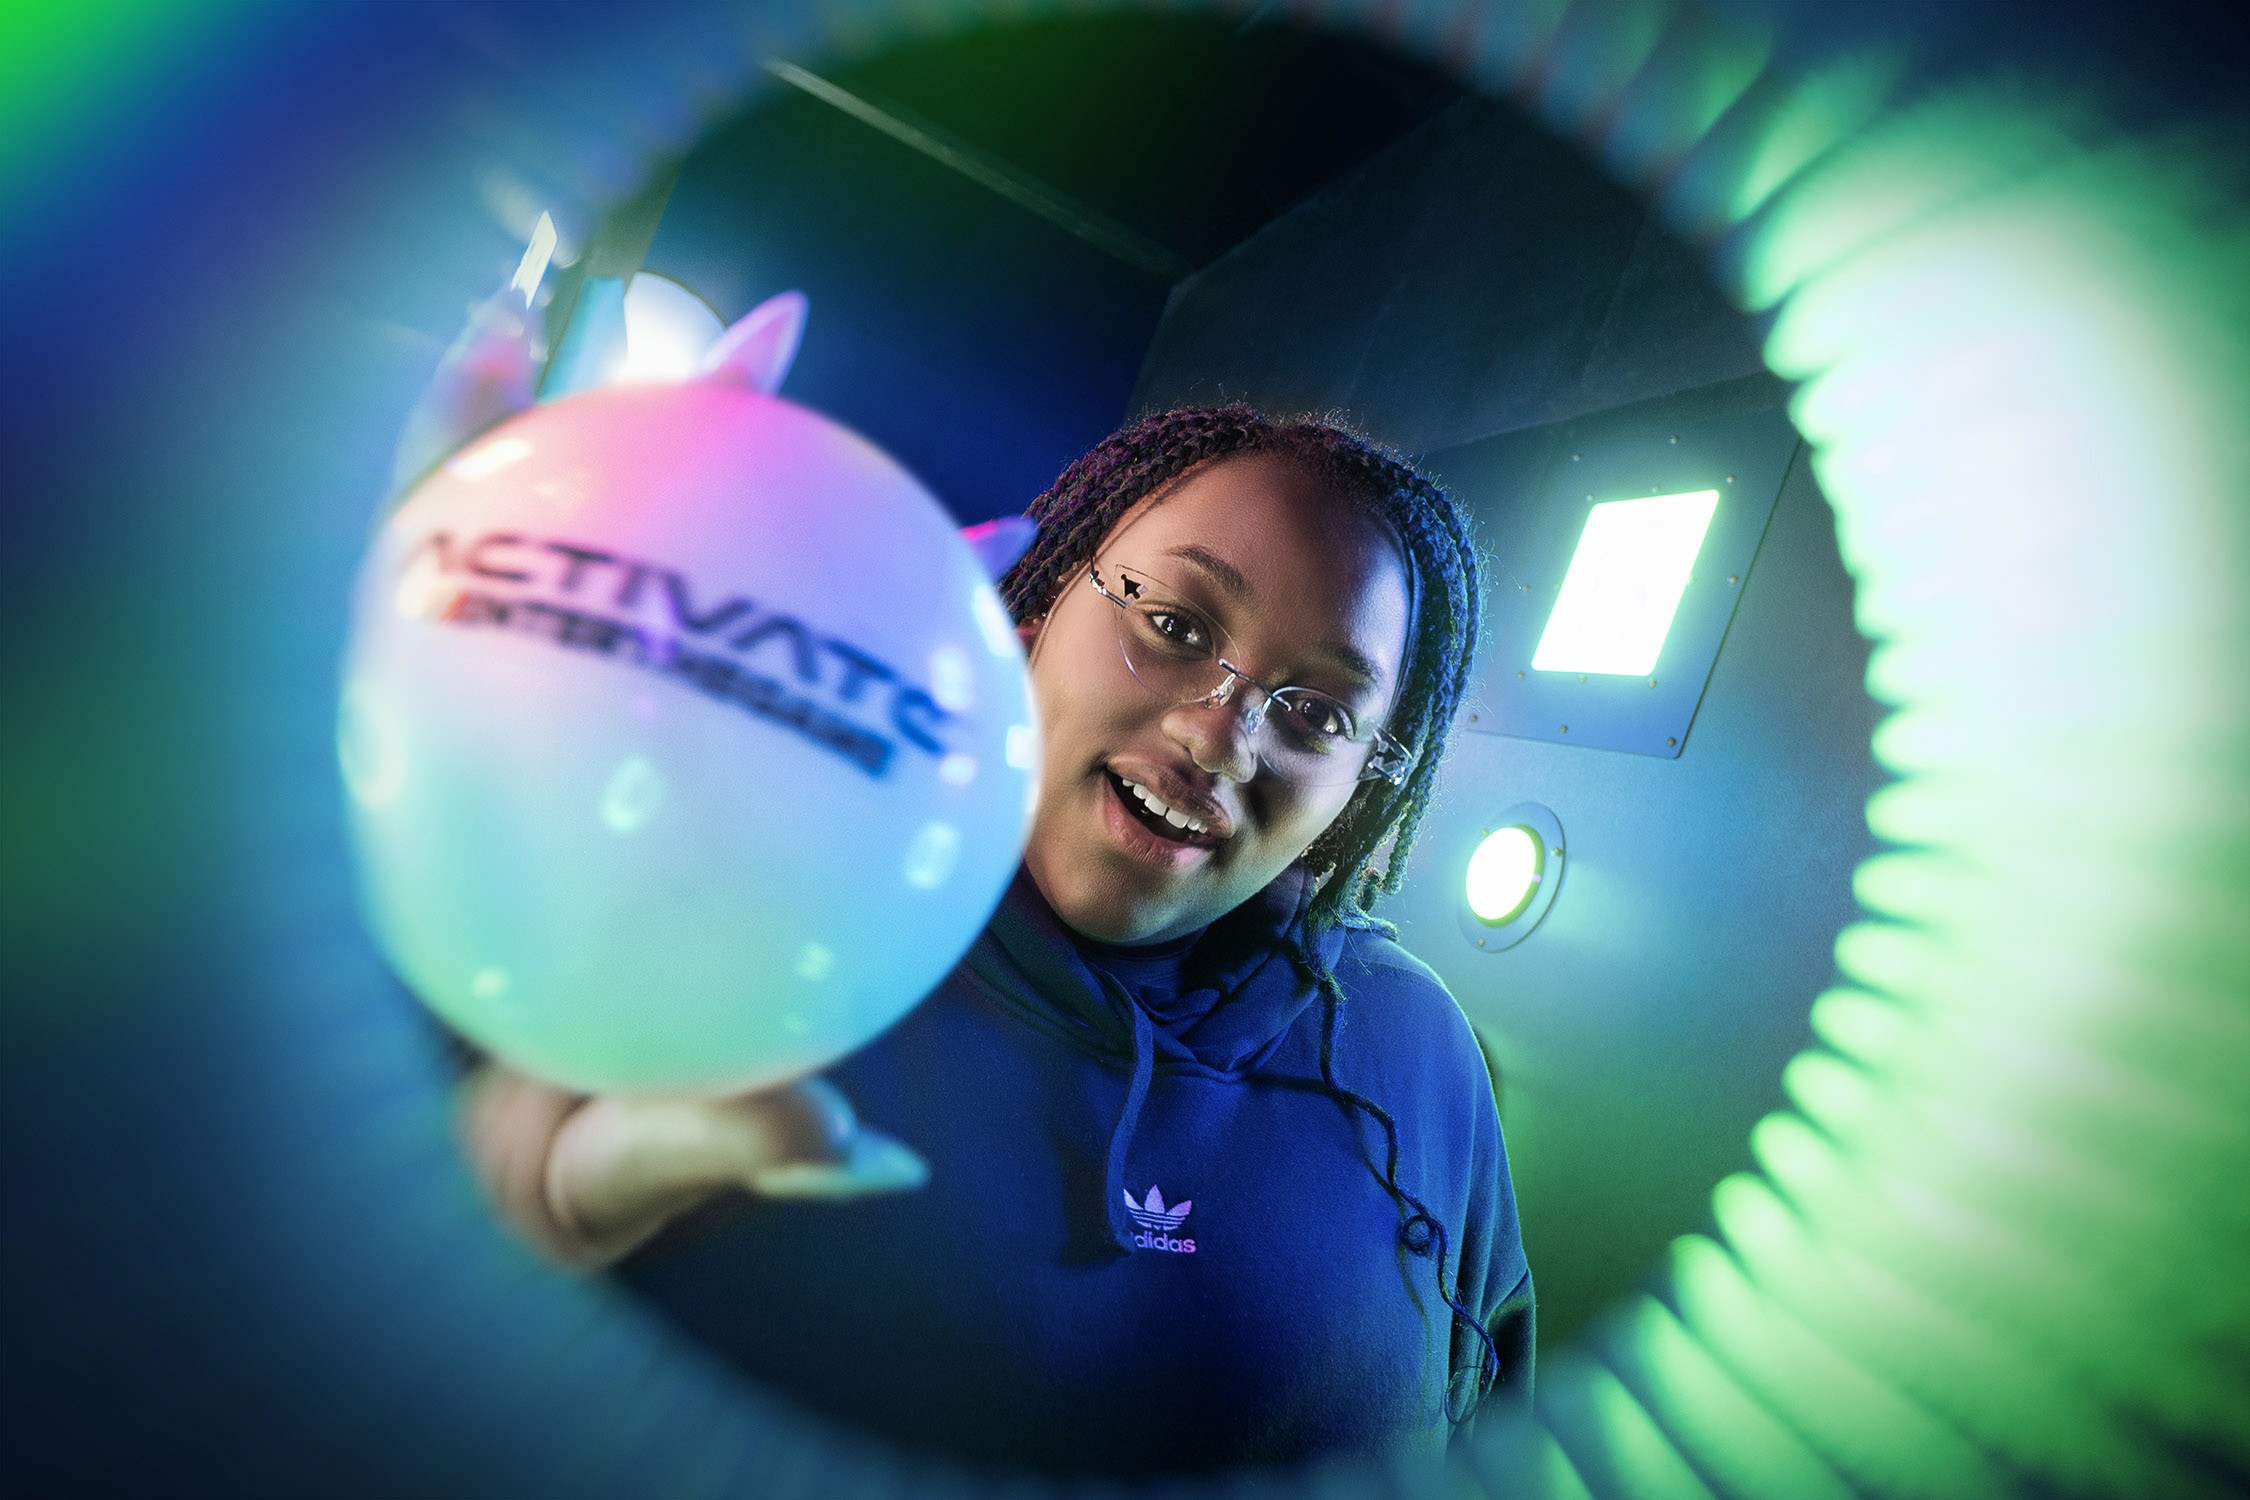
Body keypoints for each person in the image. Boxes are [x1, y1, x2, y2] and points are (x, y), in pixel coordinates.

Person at [455, 403, 1532, 1478]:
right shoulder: (766, 924)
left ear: (1358, 791)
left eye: (1318, 715)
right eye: (1175, 626)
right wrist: (486, 1241)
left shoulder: (1415, 1052)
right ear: (1037, 616)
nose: (1219, 738)